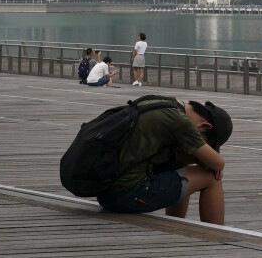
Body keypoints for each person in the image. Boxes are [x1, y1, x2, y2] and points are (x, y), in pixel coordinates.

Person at [96, 95, 233, 225]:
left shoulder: (162, 103)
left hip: (106, 192)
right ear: (204, 126)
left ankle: (175, 223)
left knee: (180, 163)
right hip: (126, 196)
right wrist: (206, 161)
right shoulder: (180, 122)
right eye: (206, 143)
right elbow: (218, 163)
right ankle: (216, 235)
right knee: (211, 177)